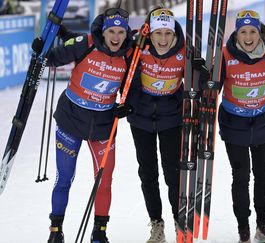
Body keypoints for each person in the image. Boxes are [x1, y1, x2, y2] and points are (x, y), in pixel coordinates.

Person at [32, 7, 135, 243]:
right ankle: (55, 230)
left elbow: (133, 89)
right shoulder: (86, 43)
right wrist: (41, 50)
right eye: (112, 31)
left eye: (121, 31)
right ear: (104, 31)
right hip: (71, 120)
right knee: (64, 177)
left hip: (103, 126)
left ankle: (99, 232)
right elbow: (54, 58)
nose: (116, 37)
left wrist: (127, 106)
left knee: (105, 179)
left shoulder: (129, 54)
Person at [217, 10, 265, 243]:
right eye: (243, 31)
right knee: (240, 176)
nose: (248, 36)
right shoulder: (224, 55)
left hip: (263, 123)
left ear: (260, 33)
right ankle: (243, 229)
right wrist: (204, 79)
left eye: (253, 31)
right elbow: (211, 88)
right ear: (237, 34)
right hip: (234, 124)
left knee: (263, 174)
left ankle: (262, 226)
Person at [125, 7, 185, 243]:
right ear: (150, 34)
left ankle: (180, 221)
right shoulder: (138, 49)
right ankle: (157, 225)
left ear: (174, 35)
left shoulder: (183, 52)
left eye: (167, 35)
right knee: (147, 173)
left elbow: (197, 83)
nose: (162, 40)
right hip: (141, 118)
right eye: (158, 34)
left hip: (171, 117)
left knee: (173, 173)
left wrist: (201, 74)